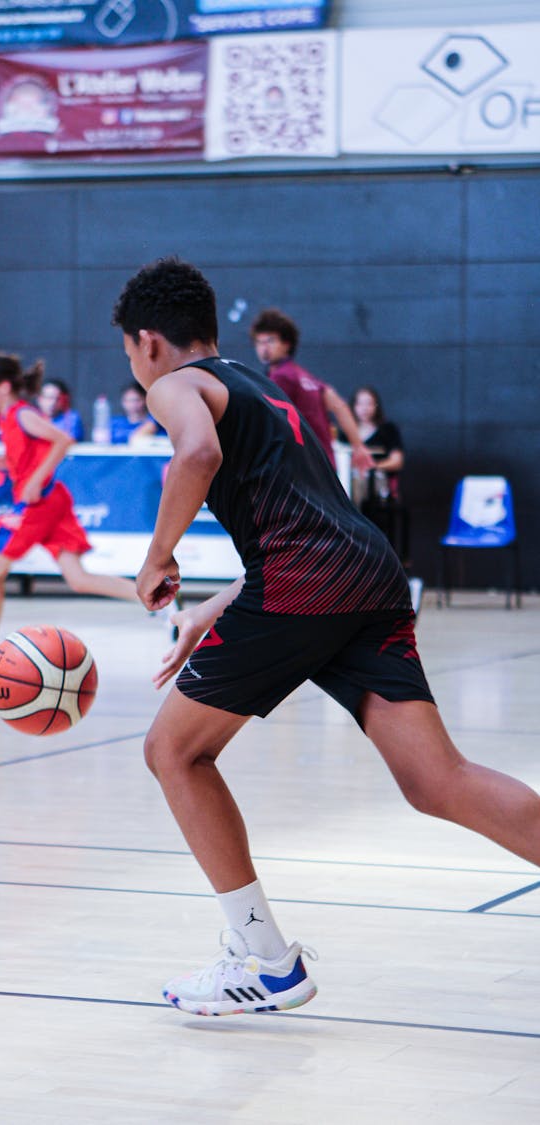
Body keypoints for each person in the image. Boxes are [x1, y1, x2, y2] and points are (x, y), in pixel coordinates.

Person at [111, 257, 540, 1018]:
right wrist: (211, 610)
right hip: (365, 572)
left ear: (147, 341)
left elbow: (197, 455)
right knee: (437, 779)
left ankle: (267, 962)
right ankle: (265, 961)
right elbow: (316, 522)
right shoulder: (258, 384)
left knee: (172, 751)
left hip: (306, 582)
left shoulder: (173, 385)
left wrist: (156, 556)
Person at [0, 353, 139, 676]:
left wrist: (35, 480)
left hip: (39, 505)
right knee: (78, 579)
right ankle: (157, 601)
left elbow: (63, 440)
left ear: (4, 387)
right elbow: (14, 463)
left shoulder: (22, 414)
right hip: (50, 504)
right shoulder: (6, 420)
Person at [250, 308, 374, 474]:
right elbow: (340, 406)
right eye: (259, 342)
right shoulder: (306, 377)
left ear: (286, 344)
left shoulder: (282, 376)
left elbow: (267, 422)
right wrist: (358, 447)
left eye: (270, 341)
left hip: (302, 468)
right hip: (323, 465)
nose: (263, 348)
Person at [342, 385, 411, 568]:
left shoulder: (387, 430)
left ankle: (351, 512)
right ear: (354, 406)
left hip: (377, 484)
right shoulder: (346, 431)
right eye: (361, 404)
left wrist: (373, 466)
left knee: (362, 479)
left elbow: (397, 460)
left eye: (369, 404)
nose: (365, 409)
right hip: (349, 480)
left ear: (376, 406)